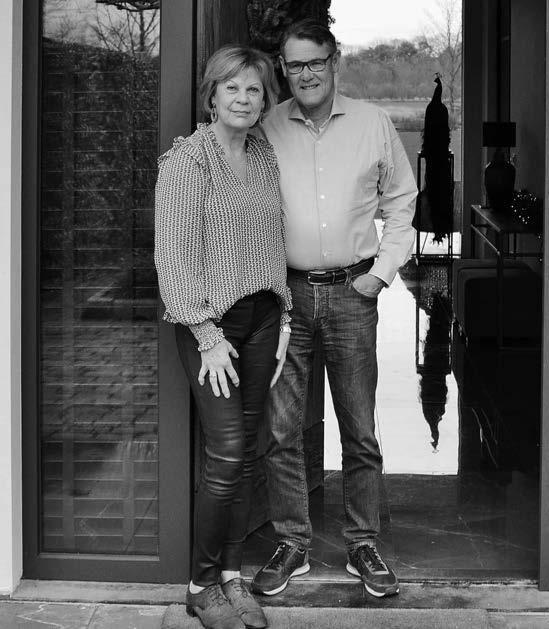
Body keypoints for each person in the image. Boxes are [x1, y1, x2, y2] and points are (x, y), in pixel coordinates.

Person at [250, 19, 417, 599]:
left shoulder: (373, 124)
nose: (306, 74)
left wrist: (380, 274)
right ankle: (292, 543)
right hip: (286, 295)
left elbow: (402, 203)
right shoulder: (267, 127)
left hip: (353, 292)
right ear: (283, 68)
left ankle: (362, 543)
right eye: (294, 65)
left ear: (334, 62)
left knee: (359, 427)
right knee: (282, 428)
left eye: (315, 62)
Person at [155, 45, 292, 629]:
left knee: (249, 449)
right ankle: (200, 584)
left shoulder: (262, 154)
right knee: (228, 451)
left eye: (253, 89)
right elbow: (173, 256)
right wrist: (206, 334)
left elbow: (274, 239)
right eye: (231, 87)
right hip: (211, 326)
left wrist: (284, 320)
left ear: (264, 100)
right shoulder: (186, 162)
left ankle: (233, 576)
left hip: (263, 319)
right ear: (211, 95)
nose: (243, 98)